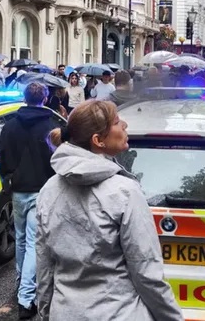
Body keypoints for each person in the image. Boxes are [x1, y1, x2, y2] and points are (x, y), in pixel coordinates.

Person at [36, 101, 183, 321]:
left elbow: (44, 263)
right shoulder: (125, 192)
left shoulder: (49, 189)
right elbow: (146, 273)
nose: (124, 125)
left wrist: (46, 311)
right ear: (98, 141)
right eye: (116, 122)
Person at [0, 83, 61, 319]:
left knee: (22, 238)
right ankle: (26, 299)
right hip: (41, 189)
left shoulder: (10, 125)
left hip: (18, 189)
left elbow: (3, 157)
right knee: (35, 242)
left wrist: (9, 177)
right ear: (45, 99)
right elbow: (57, 160)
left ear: (25, 98)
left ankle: (21, 286)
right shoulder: (50, 126)